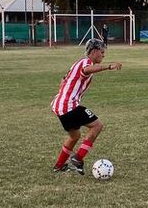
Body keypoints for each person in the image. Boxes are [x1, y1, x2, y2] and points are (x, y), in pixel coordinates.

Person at [51, 39, 122, 175]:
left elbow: (63, 79)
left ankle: (59, 166)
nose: (103, 55)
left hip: (60, 106)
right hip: (69, 106)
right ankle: (78, 158)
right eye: (102, 52)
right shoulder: (86, 63)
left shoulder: (78, 63)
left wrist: (63, 94)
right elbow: (87, 70)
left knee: (74, 136)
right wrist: (109, 67)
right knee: (97, 126)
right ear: (94, 51)